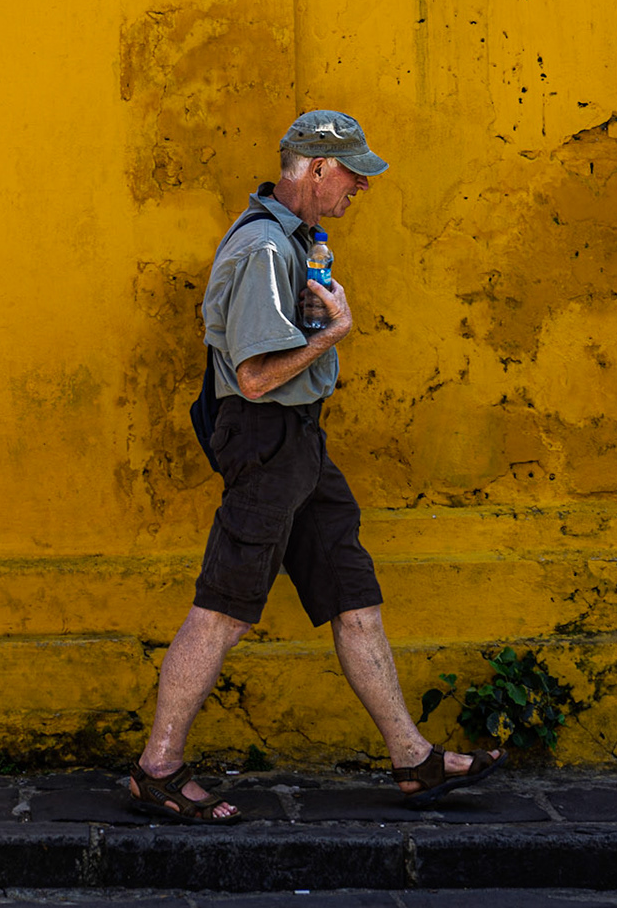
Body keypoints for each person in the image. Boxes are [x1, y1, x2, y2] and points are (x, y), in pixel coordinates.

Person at [128, 111, 506, 821]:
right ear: (317, 168)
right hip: (267, 441)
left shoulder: (295, 242)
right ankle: (158, 768)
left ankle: (412, 758)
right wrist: (335, 331)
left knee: (351, 593)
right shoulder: (264, 248)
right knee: (223, 607)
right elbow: (254, 379)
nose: (360, 186)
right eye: (353, 174)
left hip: (299, 443)